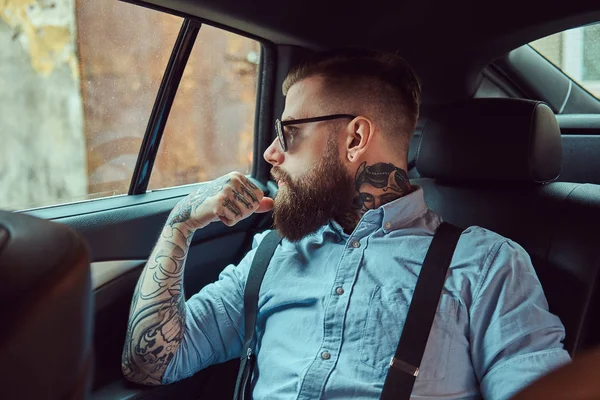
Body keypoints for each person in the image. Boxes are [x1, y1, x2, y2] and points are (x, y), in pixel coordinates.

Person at [122, 48, 571, 399]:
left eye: (289, 133)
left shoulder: (488, 266)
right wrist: (180, 224)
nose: (270, 154)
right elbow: (151, 363)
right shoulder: (272, 254)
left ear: (355, 138)